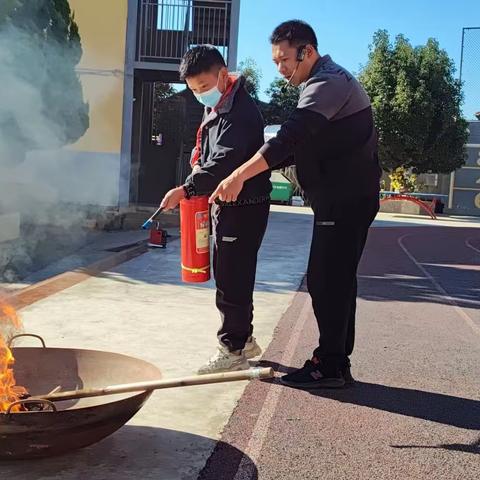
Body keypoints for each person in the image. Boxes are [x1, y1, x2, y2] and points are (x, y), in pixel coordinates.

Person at [210, 20, 382, 389]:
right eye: (274, 62)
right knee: (334, 280)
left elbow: (290, 138)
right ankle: (335, 361)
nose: (280, 68)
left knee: (326, 280)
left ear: (308, 51)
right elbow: (303, 145)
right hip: (342, 198)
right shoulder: (321, 82)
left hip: (345, 199)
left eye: (285, 59)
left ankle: (332, 365)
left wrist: (239, 174)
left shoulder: (327, 82)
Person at [160, 45, 272, 374]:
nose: (200, 96)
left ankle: (233, 349)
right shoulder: (220, 107)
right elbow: (207, 153)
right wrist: (195, 174)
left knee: (232, 278)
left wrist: (186, 189)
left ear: (222, 75)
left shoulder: (240, 113)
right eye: (194, 91)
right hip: (227, 203)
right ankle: (245, 338)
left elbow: (225, 161)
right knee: (229, 274)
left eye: (204, 88)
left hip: (244, 205)